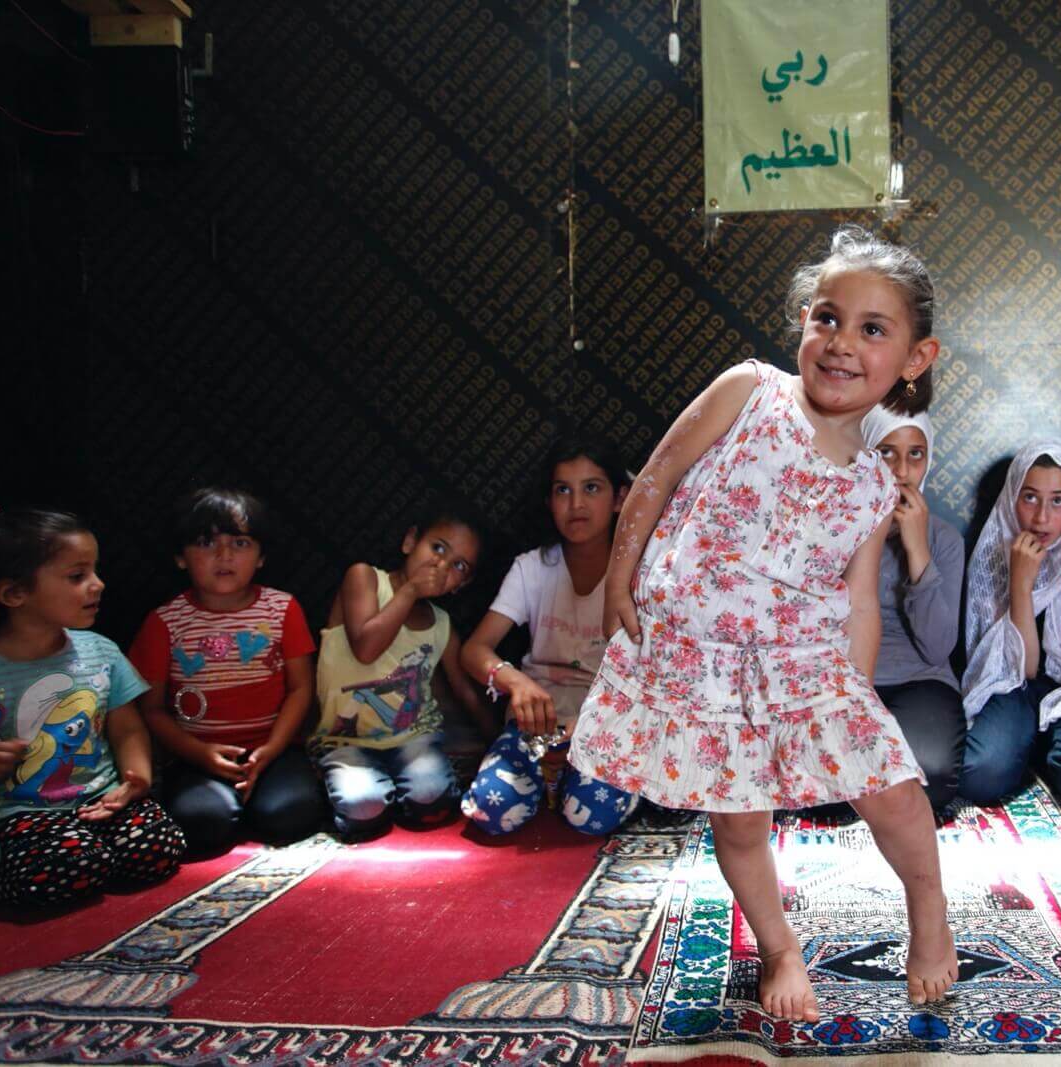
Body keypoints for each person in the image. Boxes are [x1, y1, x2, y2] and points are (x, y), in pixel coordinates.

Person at [568, 226, 958, 1021]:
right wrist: (620, 578)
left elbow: (856, 599)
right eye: (826, 318)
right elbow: (658, 474)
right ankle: (780, 946)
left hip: (806, 665)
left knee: (896, 792)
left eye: (872, 330)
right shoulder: (748, 390)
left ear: (915, 359)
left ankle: (930, 906)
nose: (841, 343)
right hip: (703, 660)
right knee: (740, 823)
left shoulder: (874, 489)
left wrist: (852, 691)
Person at [0, 508, 184, 907]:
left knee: (157, 846)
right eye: (76, 576)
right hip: (22, 813)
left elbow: (126, 727)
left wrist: (135, 779)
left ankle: (90, 857)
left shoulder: (100, 651)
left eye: (95, 571)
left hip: (98, 800)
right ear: (15, 593)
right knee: (71, 862)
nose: (97, 585)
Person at [129, 489, 325, 854]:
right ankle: (226, 804)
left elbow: (301, 689)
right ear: (180, 557)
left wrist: (271, 748)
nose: (224, 555)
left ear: (261, 556)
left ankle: (255, 795)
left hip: (273, 750)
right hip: (197, 757)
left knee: (290, 814)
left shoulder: (281, 609)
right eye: (206, 543)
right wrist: (200, 754)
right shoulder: (165, 622)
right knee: (202, 823)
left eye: (240, 542)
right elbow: (152, 708)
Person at [460, 438, 640, 835]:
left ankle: (567, 784)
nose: (576, 504)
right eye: (563, 490)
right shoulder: (532, 567)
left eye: (591, 488)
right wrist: (515, 682)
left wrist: (596, 718)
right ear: (549, 501)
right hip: (535, 723)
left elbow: (659, 667)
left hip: (607, 723)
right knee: (489, 811)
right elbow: (475, 650)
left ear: (619, 498)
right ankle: (546, 777)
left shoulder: (639, 570)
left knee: (589, 816)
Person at [959, 441, 1061, 809]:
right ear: (1012, 497)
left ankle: (1048, 744)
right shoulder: (996, 555)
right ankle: (1024, 743)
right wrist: (1020, 582)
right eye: (1030, 498)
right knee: (981, 776)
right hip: (1011, 683)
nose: (1042, 517)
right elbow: (1025, 668)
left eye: (1059, 501)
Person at [310, 507, 490, 837]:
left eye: (458, 566)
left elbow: (464, 691)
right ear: (410, 541)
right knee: (363, 805)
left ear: (461, 585)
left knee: (431, 798)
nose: (441, 566)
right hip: (346, 740)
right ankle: (369, 790)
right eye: (437, 548)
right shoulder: (364, 578)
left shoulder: (441, 625)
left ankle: (404, 791)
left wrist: (497, 744)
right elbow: (366, 648)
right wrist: (410, 591)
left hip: (412, 740)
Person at [859, 404, 965, 816]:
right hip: (846, 679)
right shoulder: (832, 528)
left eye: (915, 454)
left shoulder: (944, 539)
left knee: (931, 779)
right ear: (865, 453)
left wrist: (917, 548)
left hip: (920, 679)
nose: (902, 470)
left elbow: (937, 648)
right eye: (886, 452)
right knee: (809, 786)